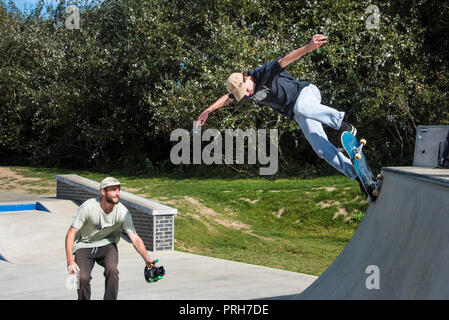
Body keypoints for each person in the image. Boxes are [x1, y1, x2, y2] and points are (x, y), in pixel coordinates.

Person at [196, 34, 370, 197]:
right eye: (244, 95)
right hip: (298, 113)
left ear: (246, 77)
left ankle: (343, 125)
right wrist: (208, 110)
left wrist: (309, 47)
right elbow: (227, 98)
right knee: (321, 150)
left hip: (306, 93)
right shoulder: (244, 92)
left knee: (301, 107)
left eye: (246, 90)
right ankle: (359, 177)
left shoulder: (263, 72)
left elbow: (286, 59)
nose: (247, 94)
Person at [65, 177, 154, 300]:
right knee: (83, 278)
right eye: (112, 190)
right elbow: (70, 233)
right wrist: (70, 260)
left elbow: (135, 238)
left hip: (107, 244)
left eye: (118, 189)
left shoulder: (123, 212)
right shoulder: (88, 207)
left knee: (112, 271)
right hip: (84, 245)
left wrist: (146, 259)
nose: (117, 193)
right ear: (103, 192)